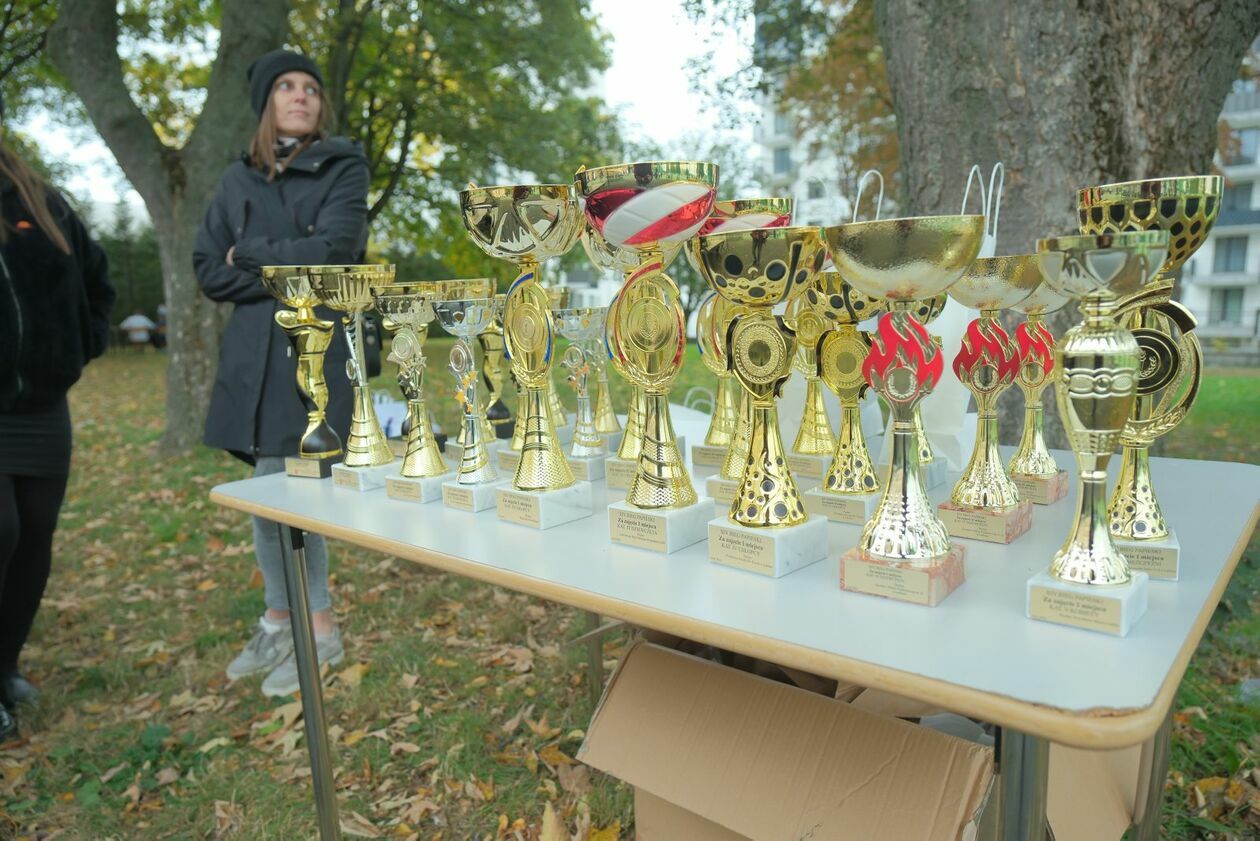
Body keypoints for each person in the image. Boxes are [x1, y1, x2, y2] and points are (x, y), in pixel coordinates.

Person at [194, 49, 368, 697]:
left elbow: (337, 251)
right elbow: (209, 267)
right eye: (286, 87)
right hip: (251, 359)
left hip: (314, 352)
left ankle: (316, 627)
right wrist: (278, 263)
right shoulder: (236, 181)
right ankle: (279, 619)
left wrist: (253, 257)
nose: (300, 96)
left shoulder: (343, 164)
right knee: (269, 496)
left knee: (290, 492)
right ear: (266, 101)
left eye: (311, 88)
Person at [0, 92, 115, 741]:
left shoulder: (38, 199)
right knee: (1, 528)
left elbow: (96, 279)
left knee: (35, 536)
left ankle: (6, 664)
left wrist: (82, 341)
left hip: (42, 409)